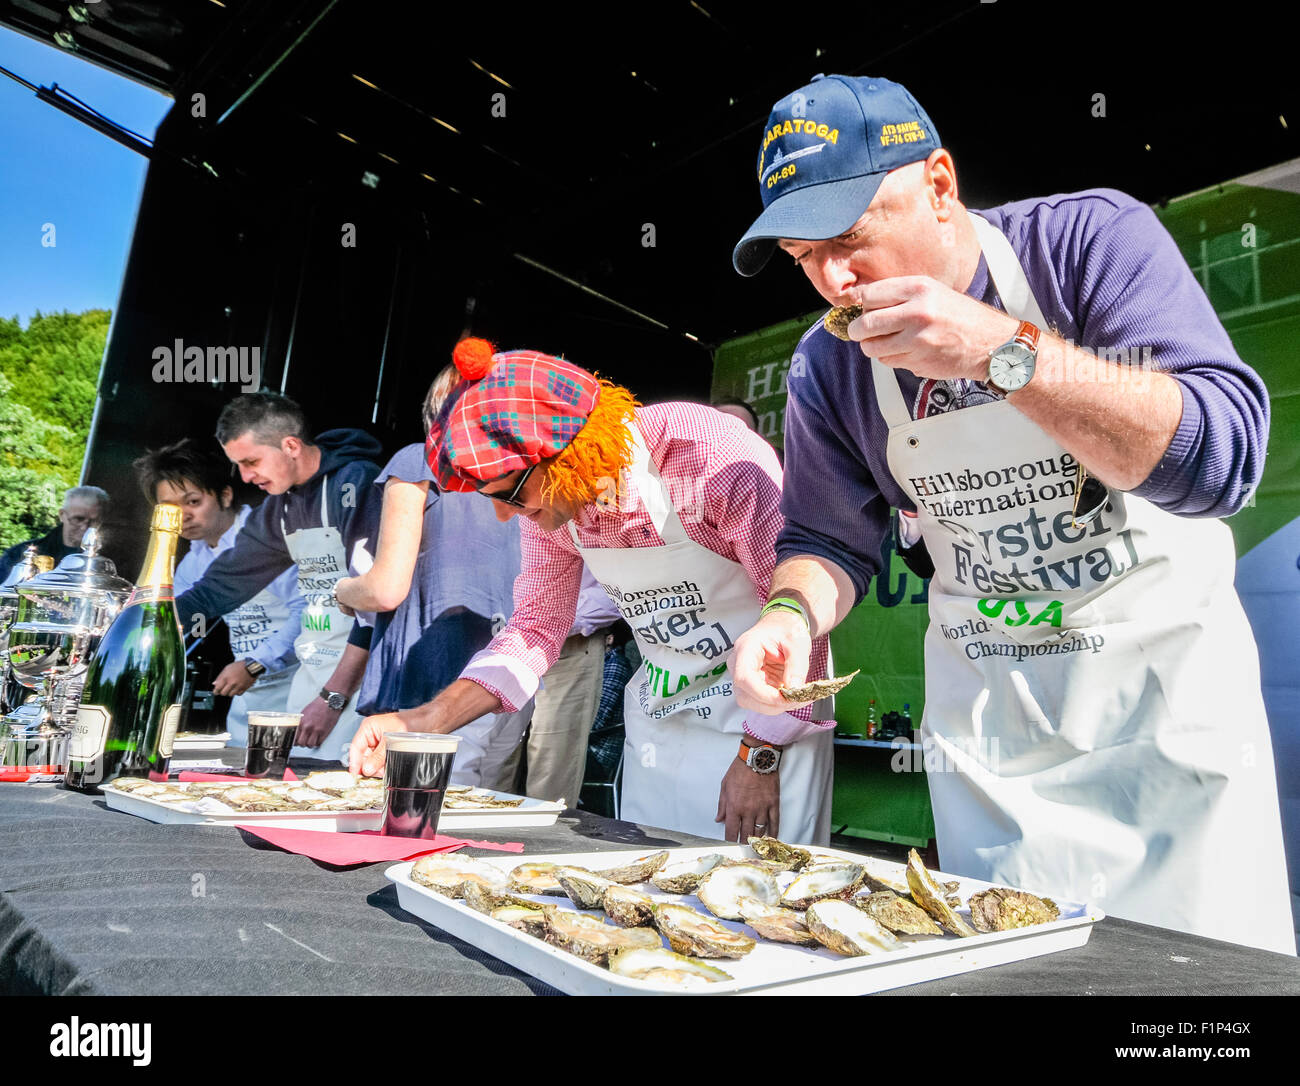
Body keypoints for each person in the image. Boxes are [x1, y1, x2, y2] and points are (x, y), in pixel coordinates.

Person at [728, 74, 1293, 953]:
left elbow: (1220, 461)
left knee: (1194, 988)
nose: (834, 278)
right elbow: (824, 537)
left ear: (941, 185)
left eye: (850, 237)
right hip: (992, 738)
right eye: (804, 256)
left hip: (1162, 716)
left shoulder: (1089, 242)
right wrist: (791, 612)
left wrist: (1002, 352)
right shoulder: (826, 366)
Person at [350, 337, 837, 844]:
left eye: (509, 494)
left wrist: (758, 756)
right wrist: (423, 720)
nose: (503, 515)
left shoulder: (702, 453)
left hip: (768, 718)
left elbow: (794, 607)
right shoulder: (551, 511)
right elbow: (533, 631)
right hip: (664, 717)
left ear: (567, 454)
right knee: (657, 889)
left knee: (760, 897)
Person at [335, 369, 531, 788]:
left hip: (432, 672)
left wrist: (345, 590)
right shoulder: (527, 470)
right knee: (483, 812)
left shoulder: (416, 460)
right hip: (507, 675)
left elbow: (386, 588)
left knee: (417, 817)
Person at [175, 393, 384, 764]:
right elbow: (222, 585)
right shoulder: (277, 508)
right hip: (312, 669)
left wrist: (332, 698)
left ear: (290, 445)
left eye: (251, 461)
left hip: (366, 679)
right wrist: (149, 617)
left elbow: (378, 606)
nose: (244, 477)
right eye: (237, 465)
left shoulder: (357, 483)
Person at [133, 439, 305, 746]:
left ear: (225, 495)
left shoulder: (266, 538)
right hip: (249, 700)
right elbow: (178, 622)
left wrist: (256, 662)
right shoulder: (192, 564)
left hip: (300, 687)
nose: (182, 515)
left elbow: (307, 612)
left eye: (193, 502)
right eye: (170, 508)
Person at [493, 565, 623, 803]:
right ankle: (481, 840)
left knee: (551, 778)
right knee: (490, 769)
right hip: (498, 635)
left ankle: (540, 840)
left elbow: (621, 583)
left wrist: (554, 619)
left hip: (574, 637)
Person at [0, 486, 110, 585]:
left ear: (101, 520)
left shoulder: (112, 561)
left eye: (94, 521)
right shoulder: (17, 555)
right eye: (78, 519)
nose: (84, 527)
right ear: (62, 515)